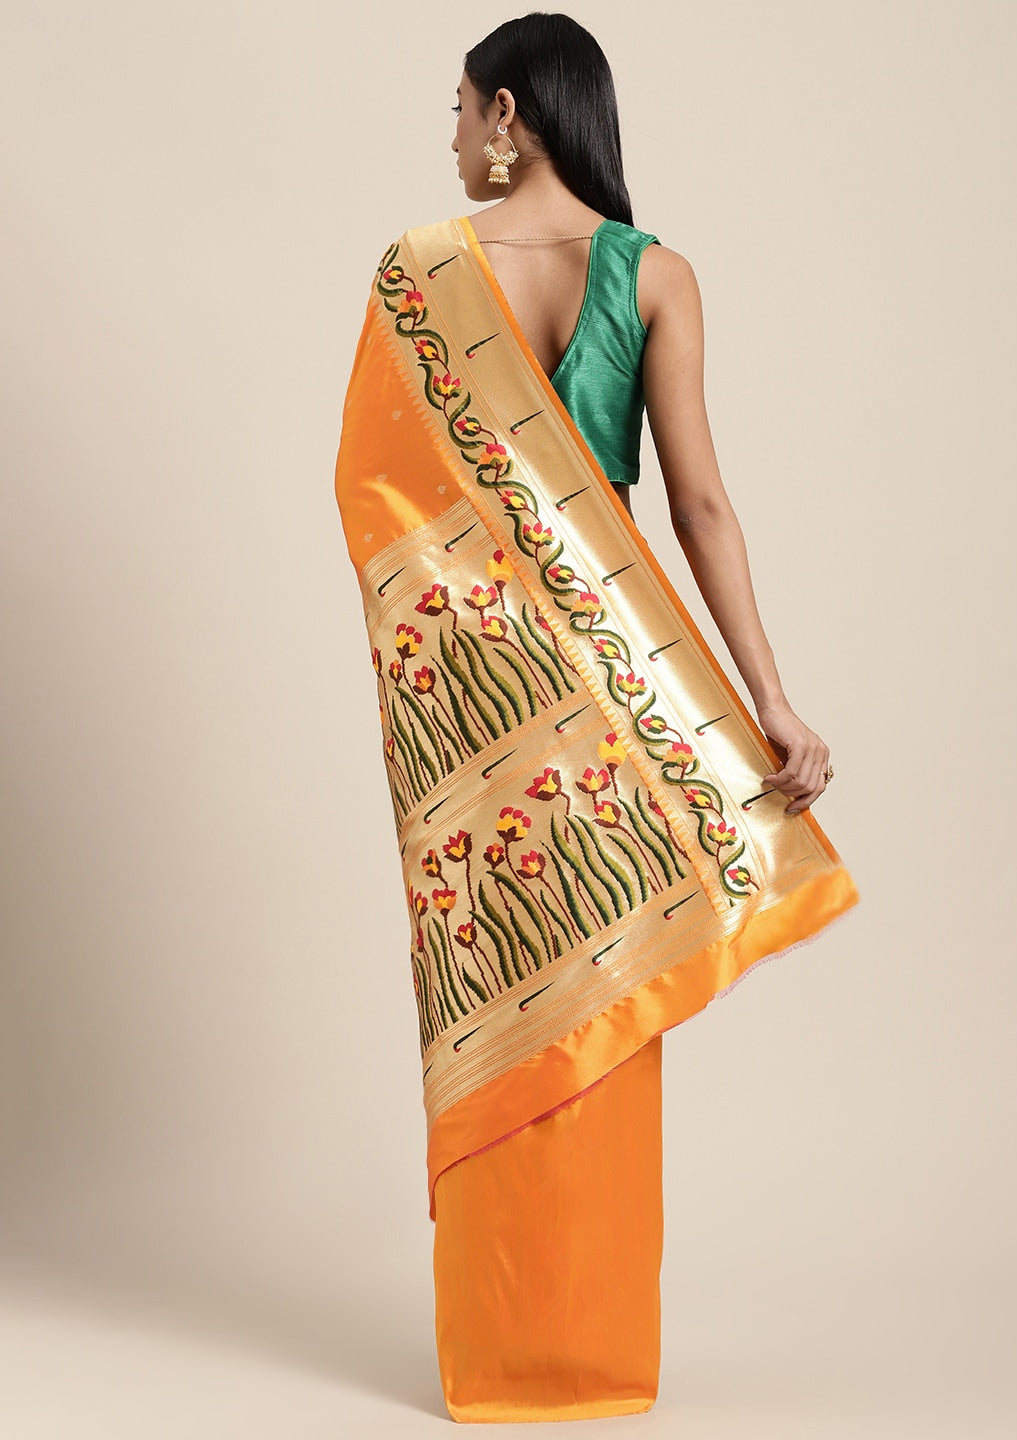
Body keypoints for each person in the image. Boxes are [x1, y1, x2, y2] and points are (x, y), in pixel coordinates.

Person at [334, 13, 859, 1424]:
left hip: (490, 704)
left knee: (507, 984)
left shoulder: (416, 276)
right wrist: (768, 700)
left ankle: (507, 1360)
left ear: (510, 113)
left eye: (458, 108)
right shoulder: (657, 273)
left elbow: (372, 495)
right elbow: (700, 507)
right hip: (622, 698)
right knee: (608, 998)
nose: (451, 137)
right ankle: (594, 1356)